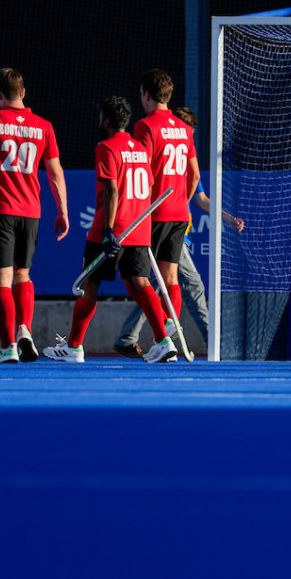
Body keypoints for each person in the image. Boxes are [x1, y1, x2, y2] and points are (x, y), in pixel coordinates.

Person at [43, 96, 176, 363]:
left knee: (89, 285)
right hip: (138, 229)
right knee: (140, 283)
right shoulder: (141, 149)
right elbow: (148, 187)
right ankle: (164, 341)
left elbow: (112, 189)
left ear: (105, 120)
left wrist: (107, 231)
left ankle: (74, 347)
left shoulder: (105, 147)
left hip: (112, 229)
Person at [0, 67, 69, 364]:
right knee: (24, 274)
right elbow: (56, 173)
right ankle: (24, 330)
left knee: (1, 280)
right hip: (31, 212)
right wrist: (63, 211)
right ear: (23, 92)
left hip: (0, 212)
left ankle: (8, 345)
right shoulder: (44, 126)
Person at [115, 107, 244, 356]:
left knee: (154, 285)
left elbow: (202, 198)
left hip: (175, 226)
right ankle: (208, 339)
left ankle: (128, 336)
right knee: (189, 284)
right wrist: (176, 208)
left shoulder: (182, 162)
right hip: (167, 224)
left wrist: (228, 218)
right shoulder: (166, 156)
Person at [120, 69, 200, 356]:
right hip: (179, 213)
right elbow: (194, 175)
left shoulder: (145, 126)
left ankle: (160, 335)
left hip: (151, 213)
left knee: (133, 277)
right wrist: (182, 200)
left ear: (146, 94)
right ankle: (167, 332)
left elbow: (139, 171)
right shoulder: (184, 128)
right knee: (171, 278)